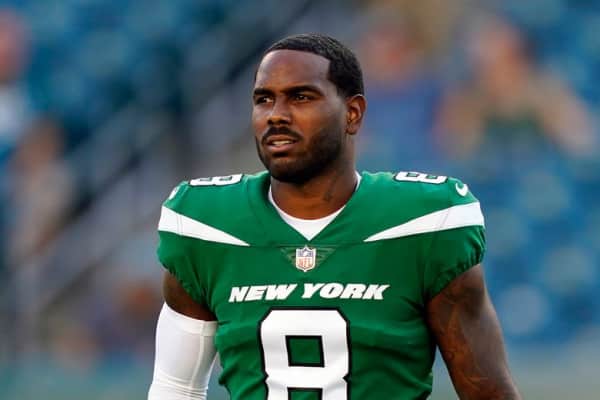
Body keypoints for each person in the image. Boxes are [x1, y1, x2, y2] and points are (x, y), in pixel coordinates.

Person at [148, 33, 521, 399]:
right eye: (264, 99)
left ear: (352, 113)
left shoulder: (423, 223)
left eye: (301, 97)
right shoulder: (207, 226)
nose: (276, 115)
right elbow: (176, 388)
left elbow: (488, 393)